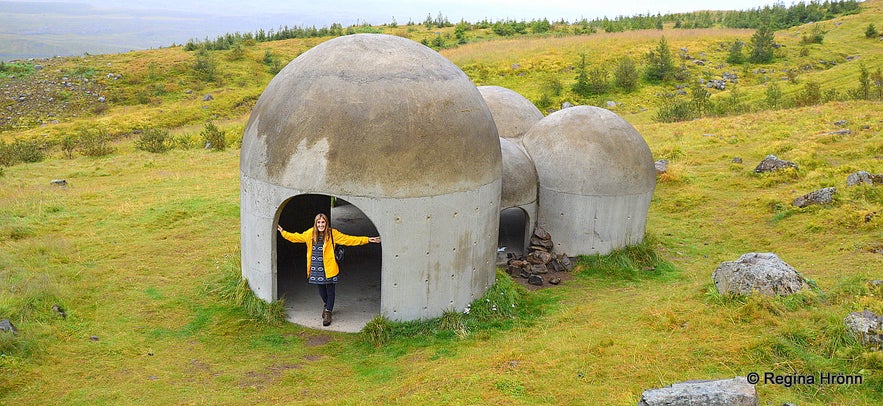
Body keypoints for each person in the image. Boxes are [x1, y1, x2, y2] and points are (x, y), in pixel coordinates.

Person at [277, 213, 381, 327]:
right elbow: (296, 237)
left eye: (323, 222)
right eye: (319, 222)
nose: (321, 224)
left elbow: (349, 239)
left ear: (326, 223)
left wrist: (367, 240)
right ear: (315, 223)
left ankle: (328, 312)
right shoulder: (310, 233)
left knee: (330, 290)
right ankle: (327, 305)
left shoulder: (333, 233)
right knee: (321, 290)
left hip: (330, 268)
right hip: (315, 268)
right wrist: (283, 232)